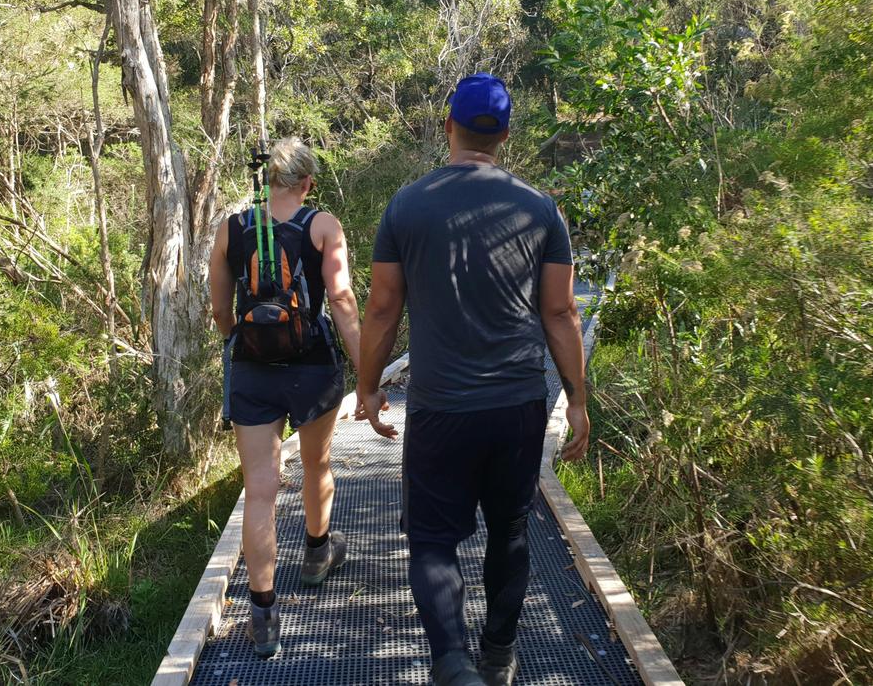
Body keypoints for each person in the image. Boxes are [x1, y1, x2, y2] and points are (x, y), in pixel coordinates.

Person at [355, 74, 590, 686]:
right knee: (510, 530)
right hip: (516, 405)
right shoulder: (542, 211)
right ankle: (498, 655)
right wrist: (579, 401)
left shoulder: (407, 205)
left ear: (446, 127)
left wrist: (369, 387)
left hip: (439, 408)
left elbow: (382, 308)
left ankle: (452, 661)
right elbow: (561, 313)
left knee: (434, 539)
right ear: (506, 136)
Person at [208, 136, 362, 657]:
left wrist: (241, 340)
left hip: (252, 370)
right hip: (313, 367)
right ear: (307, 183)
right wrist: (367, 373)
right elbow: (339, 300)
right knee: (317, 466)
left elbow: (220, 309)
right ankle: (317, 556)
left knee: (260, 488)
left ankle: (263, 615)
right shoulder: (323, 225)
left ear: (266, 180)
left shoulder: (231, 229)